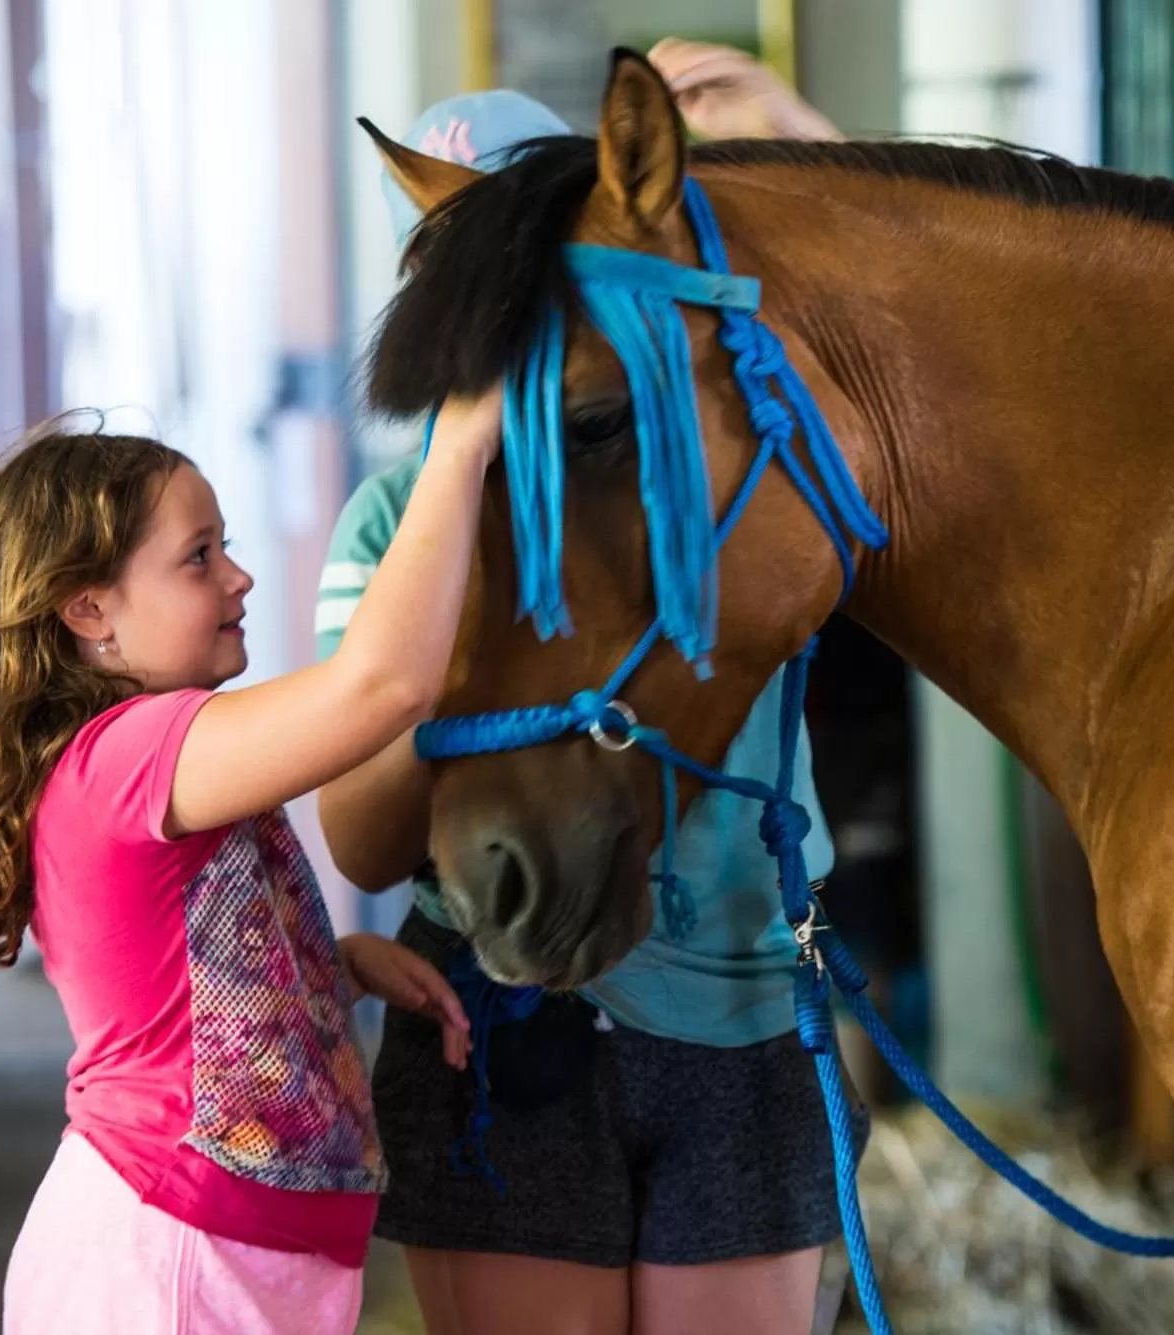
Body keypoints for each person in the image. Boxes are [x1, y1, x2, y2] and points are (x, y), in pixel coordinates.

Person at [314, 43, 861, 1335]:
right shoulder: (388, 524)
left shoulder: (712, 469)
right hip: (505, 1022)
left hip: (737, 1007)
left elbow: (879, 344)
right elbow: (363, 832)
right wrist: (450, 524)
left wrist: (792, 123)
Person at [0, 393, 499, 1334]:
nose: (239, 577)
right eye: (199, 557)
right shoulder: (129, 752)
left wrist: (323, 970)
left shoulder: (135, 760)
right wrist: (461, 438)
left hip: (224, 1256)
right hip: (168, 1259)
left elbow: (174, 970)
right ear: (90, 609)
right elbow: (386, 684)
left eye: (226, 545)